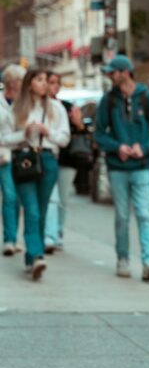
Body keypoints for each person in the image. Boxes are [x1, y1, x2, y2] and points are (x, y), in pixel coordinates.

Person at [94, 55, 149, 281]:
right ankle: (123, 258)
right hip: (117, 167)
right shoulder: (108, 101)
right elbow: (99, 135)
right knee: (122, 216)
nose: (110, 76)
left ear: (126, 72)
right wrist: (117, 147)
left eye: (113, 72)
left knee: (144, 214)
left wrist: (144, 148)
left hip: (141, 167)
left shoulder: (148, 98)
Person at [0, 68, 70, 280]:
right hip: (25, 160)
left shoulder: (56, 108)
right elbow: (4, 139)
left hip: (48, 160)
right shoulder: (18, 109)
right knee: (31, 211)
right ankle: (38, 255)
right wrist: (25, 133)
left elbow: (64, 139)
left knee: (41, 210)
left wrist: (48, 132)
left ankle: (31, 257)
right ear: (29, 83)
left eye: (46, 80)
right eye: (39, 80)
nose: (44, 84)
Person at [44, 73, 92, 253]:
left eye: (57, 83)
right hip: (46, 157)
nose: (55, 86)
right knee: (49, 198)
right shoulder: (38, 106)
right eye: (51, 82)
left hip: (67, 158)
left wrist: (78, 123)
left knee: (62, 199)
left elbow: (82, 133)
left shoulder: (67, 107)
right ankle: (48, 233)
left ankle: (58, 231)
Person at [0, 64, 26, 256]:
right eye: (21, 81)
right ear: (12, 82)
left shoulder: (24, 104)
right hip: (3, 156)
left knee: (16, 198)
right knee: (9, 196)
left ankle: (13, 237)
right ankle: (9, 239)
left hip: (19, 156)